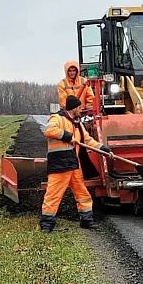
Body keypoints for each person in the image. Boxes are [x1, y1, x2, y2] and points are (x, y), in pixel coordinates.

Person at [40, 94, 113, 233]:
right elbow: (49, 130)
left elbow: (88, 141)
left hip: (74, 165)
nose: (81, 110)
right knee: (53, 195)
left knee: (83, 194)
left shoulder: (77, 124)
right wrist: (68, 137)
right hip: (60, 165)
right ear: (74, 108)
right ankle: (47, 225)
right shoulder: (57, 118)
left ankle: (87, 221)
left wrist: (104, 149)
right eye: (80, 107)